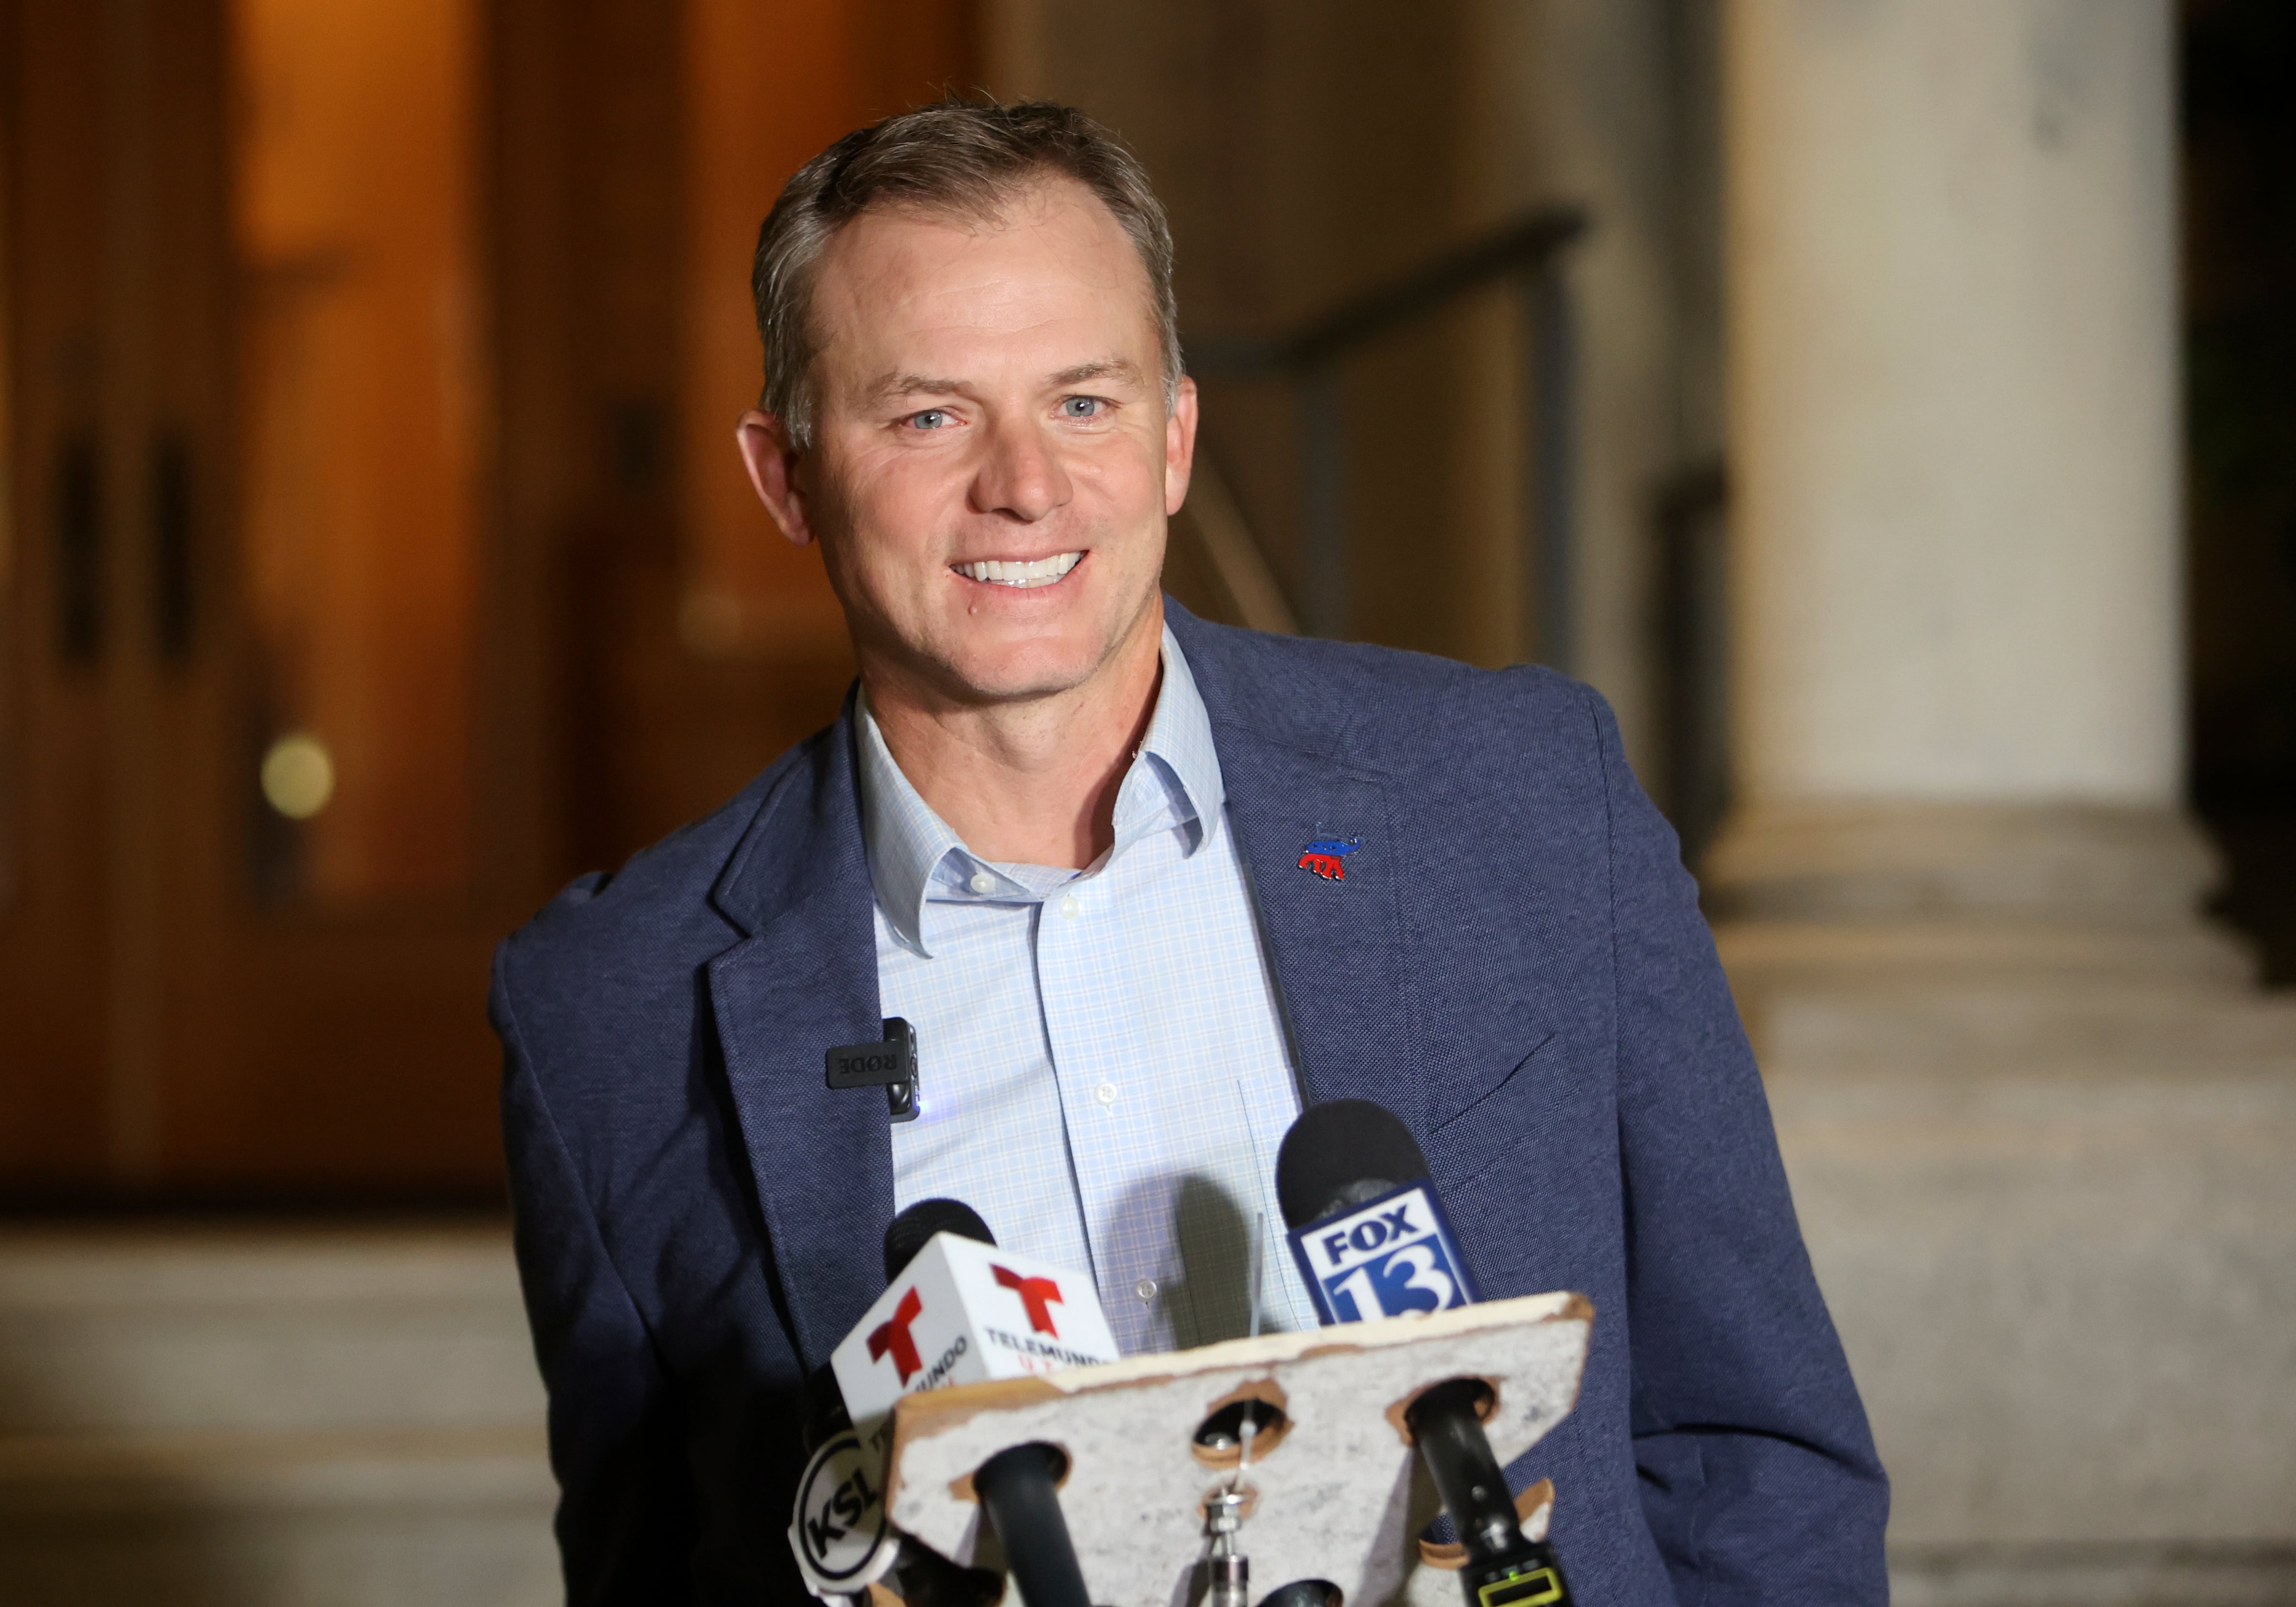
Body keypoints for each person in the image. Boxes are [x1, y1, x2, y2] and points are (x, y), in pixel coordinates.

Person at [494, 99, 1887, 1607]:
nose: (1025, 484)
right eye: (929, 416)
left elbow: (1756, 1454)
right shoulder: (615, 1010)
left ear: (1175, 440)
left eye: (1085, 402)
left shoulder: (1522, 802)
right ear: (786, 480)